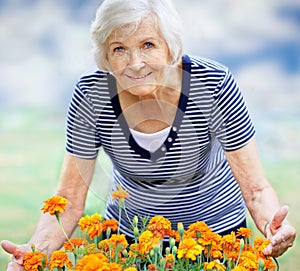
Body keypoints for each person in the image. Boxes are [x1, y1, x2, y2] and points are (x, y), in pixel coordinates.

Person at [1, 0, 296, 269]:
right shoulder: (92, 94)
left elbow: (256, 190)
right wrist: (35, 252)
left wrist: (272, 225)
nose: (135, 63)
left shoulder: (213, 84)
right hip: (127, 242)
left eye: (147, 45)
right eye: (119, 49)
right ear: (104, 56)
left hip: (217, 241)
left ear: (170, 47)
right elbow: (68, 198)